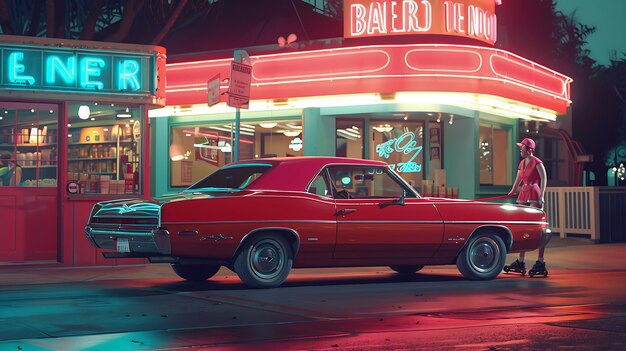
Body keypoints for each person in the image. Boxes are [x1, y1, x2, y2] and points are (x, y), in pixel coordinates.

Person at [504, 138, 550, 276]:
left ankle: (540, 260)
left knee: (537, 226)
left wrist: (541, 195)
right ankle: (521, 261)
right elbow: (518, 179)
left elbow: (544, 178)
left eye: (522, 147)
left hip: (534, 192)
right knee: (523, 227)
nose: (520, 149)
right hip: (523, 193)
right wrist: (512, 192)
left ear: (529, 149)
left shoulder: (537, 162)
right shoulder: (522, 163)